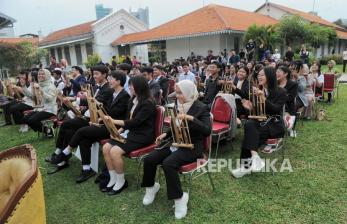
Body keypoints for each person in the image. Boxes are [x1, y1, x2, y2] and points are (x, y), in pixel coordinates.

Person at [141, 80, 211, 219]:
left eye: (180, 93)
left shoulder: (201, 107)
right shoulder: (177, 106)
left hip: (192, 147)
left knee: (168, 163)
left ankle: (179, 198)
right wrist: (165, 134)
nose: (177, 95)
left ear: (189, 92)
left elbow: (207, 130)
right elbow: (175, 126)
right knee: (149, 159)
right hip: (176, 143)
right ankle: (151, 187)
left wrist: (191, 118)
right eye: (176, 92)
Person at [48, 71, 130, 182]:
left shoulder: (124, 95)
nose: (110, 81)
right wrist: (98, 118)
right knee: (83, 139)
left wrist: (98, 110)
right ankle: (86, 169)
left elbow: (114, 114)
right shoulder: (113, 93)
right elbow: (106, 112)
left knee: (82, 131)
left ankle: (65, 152)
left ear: (119, 81)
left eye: (112, 79)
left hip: (113, 127)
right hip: (103, 122)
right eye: (110, 78)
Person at [46, 65, 113, 166]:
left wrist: (75, 99)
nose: (94, 76)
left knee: (66, 125)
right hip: (87, 116)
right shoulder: (95, 86)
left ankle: (60, 153)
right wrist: (79, 110)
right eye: (93, 74)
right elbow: (90, 103)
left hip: (95, 120)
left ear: (104, 74)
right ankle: (62, 157)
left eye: (96, 74)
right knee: (68, 129)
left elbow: (95, 103)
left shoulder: (108, 89)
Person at [102, 75, 156, 195]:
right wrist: (119, 130)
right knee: (106, 147)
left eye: (132, 85)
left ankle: (121, 182)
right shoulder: (133, 99)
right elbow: (128, 119)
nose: (130, 87)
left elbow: (136, 122)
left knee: (114, 151)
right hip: (131, 133)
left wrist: (113, 121)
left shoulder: (148, 103)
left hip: (143, 136)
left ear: (139, 87)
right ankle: (113, 178)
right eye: (130, 85)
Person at [231, 66, 286, 178]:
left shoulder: (281, 91)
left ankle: (245, 167)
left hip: (274, 123)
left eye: (262, 75)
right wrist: (249, 108)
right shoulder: (257, 91)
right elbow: (256, 110)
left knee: (249, 134)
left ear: (270, 76)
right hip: (260, 121)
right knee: (249, 124)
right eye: (259, 75)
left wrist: (264, 98)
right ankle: (255, 156)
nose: (259, 77)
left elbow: (275, 109)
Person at [23, 69, 58, 135]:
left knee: (32, 120)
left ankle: (48, 131)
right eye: (39, 74)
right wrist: (24, 87)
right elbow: (33, 97)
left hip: (50, 110)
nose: (40, 75)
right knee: (25, 118)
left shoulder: (51, 86)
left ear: (47, 75)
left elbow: (50, 99)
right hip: (41, 108)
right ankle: (46, 130)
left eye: (42, 74)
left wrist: (41, 90)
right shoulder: (39, 85)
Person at [276, 66, 297, 131]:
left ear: (286, 74)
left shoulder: (292, 84)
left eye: (279, 72)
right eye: (276, 72)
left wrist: (278, 98)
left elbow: (290, 98)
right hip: (275, 106)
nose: (277, 73)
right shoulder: (275, 84)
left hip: (288, 107)